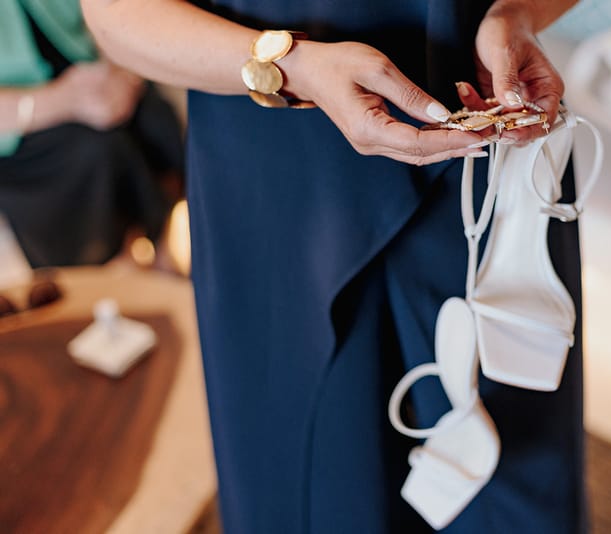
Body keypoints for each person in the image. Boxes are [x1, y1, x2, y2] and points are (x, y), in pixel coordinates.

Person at [81, 0, 585, 532]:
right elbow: (115, 13)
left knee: (514, 474)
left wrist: (517, 13)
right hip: (275, 175)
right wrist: (288, 66)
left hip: (489, 149)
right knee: (309, 483)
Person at [0, 0, 183, 267]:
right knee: (92, 151)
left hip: (88, 78)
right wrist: (65, 100)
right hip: (18, 126)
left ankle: (161, 247)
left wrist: (122, 73)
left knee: (154, 118)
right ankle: (108, 273)